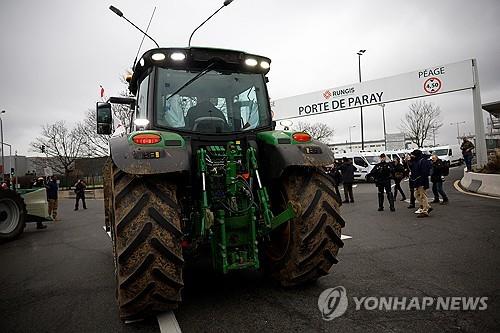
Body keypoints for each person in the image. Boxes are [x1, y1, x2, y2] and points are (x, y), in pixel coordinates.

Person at [410, 150, 433, 218]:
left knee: (422, 196)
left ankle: (425, 210)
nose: (412, 156)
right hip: (417, 181)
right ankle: (427, 206)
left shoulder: (422, 161)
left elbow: (424, 173)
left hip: (421, 181)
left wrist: (421, 182)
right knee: (416, 195)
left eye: (413, 155)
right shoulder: (416, 161)